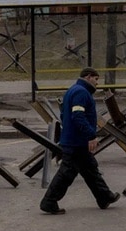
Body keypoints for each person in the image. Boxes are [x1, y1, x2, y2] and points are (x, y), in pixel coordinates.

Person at [40, 67, 120, 215]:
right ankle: (49, 201)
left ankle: (104, 196)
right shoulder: (81, 93)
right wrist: (90, 135)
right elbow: (78, 116)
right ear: (88, 77)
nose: (97, 83)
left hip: (75, 139)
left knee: (90, 169)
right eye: (96, 79)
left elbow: (64, 114)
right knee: (67, 173)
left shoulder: (73, 90)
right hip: (76, 141)